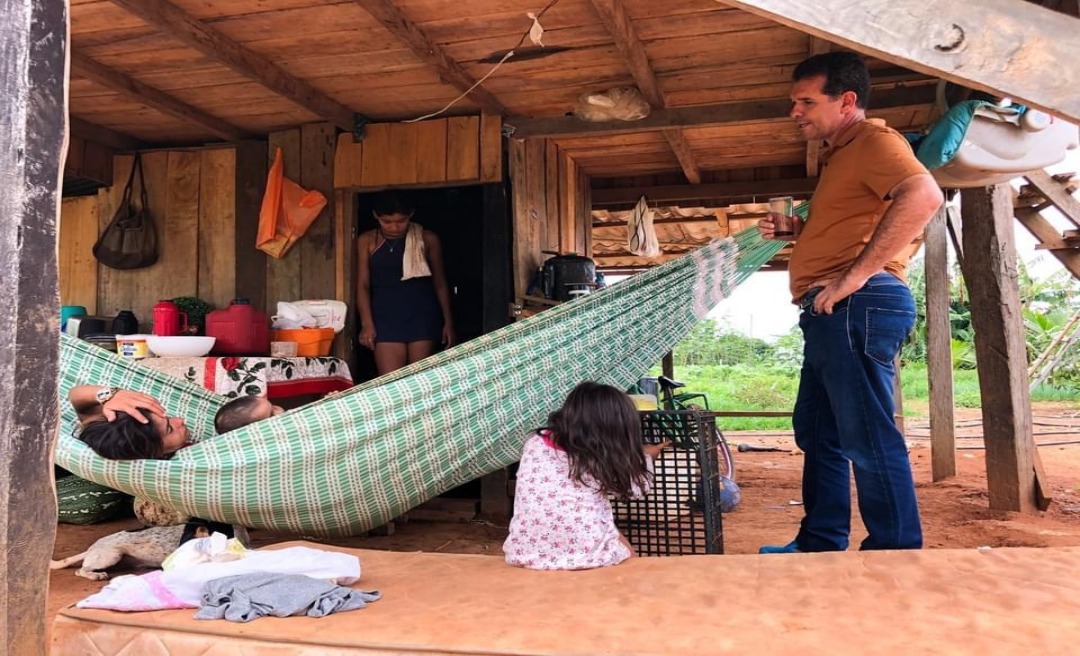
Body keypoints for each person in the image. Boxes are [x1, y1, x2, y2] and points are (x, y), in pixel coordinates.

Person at [756, 52, 943, 553]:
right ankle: (820, 540)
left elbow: (923, 196)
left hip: (857, 304)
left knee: (867, 434)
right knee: (819, 432)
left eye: (806, 102)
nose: (795, 112)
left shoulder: (875, 142)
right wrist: (802, 230)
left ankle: (895, 551)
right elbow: (854, 224)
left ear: (846, 101)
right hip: (830, 310)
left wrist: (853, 278)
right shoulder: (841, 155)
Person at [503, 382, 669, 570]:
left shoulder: (535, 442)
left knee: (605, 526)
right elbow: (636, 490)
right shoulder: (599, 453)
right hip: (585, 551)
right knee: (629, 557)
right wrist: (646, 458)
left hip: (525, 550)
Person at [356, 191, 456, 375]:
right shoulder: (368, 241)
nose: (394, 227)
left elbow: (440, 283)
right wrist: (367, 323)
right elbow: (363, 285)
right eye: (386, 222)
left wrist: (448, 322)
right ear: (375, 216)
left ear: (411, 214)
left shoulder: (427, 239)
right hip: (384, 317)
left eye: (401, 221)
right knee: (391, 381)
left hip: (422, 316)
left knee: (419, 380)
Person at [71, 386, 282, 460]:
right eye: (170, 429)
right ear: (154, 451)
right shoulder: (178, 470)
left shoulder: (108, 432)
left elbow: (75, 397)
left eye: (168, 417)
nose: (180, 420)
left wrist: (110, 395)